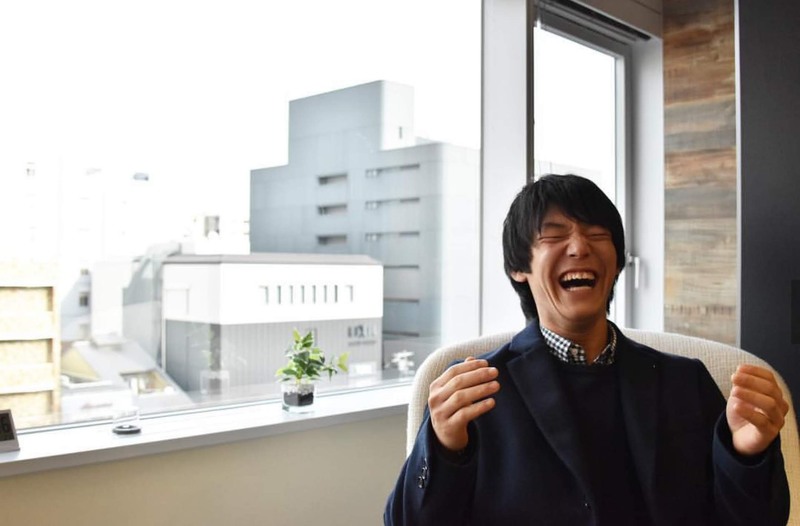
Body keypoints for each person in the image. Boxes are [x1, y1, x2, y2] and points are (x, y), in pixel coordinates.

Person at [384, 174, 790, 525]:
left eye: (597, 234)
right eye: (554, 235)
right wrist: (444, 447)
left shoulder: (686, 382)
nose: (579, 247)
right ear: (518, 268)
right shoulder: (475, 389)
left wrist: (746, 455)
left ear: (617, 263)